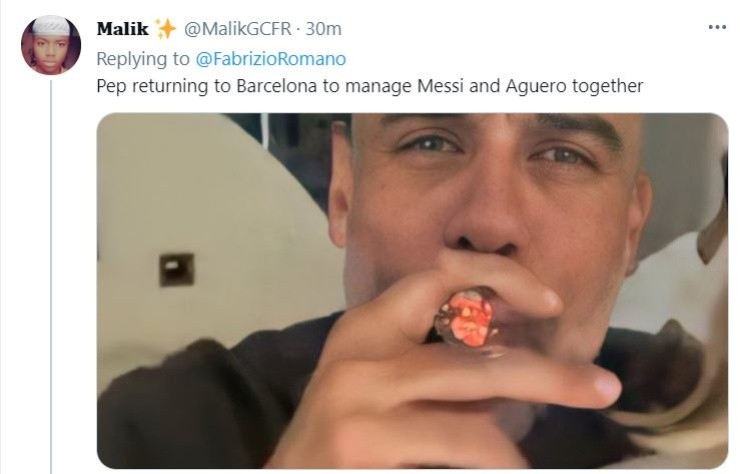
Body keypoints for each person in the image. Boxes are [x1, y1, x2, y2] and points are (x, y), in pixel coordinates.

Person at [98, 114, 707, 468]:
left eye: (564, 155)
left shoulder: (703, 408)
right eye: (430, 142)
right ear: (344, 193)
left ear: (630, 232)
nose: (489, 223)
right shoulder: (162, 429)